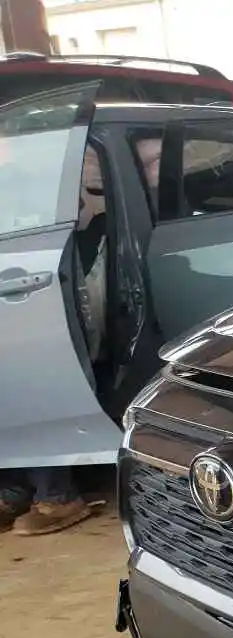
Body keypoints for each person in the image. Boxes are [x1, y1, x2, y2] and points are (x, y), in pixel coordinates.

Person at [2, 147, 108, 536]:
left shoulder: (29, 190)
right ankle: (16, 489)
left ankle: (58, 495)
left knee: (30, 391)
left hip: (31, 301)